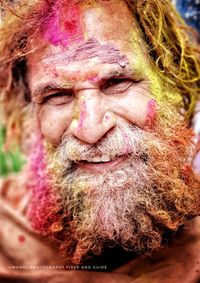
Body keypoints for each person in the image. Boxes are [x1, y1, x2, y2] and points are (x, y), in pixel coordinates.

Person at [0, 0, 200, 282]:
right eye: (57, 96)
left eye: (117, 82)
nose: (90, 129)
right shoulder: (7, 231)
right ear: (32, 115)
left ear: (174, 85)